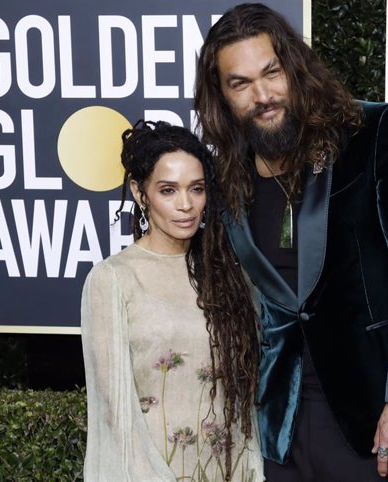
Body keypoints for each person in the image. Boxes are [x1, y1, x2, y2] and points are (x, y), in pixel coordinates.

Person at [194, 3, 388, 481]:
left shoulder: (374, 133)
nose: (262, 94)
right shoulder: (225, 180)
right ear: (223, 96)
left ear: (293, 67)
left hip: (374, 422)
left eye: (271, 72)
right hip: (276, 428)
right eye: (241, 84)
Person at [81, 120, 264, 481]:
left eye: (196, 189)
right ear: (139, 193)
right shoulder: (113, 279)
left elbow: (246, 397)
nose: (186, 205)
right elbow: (117, 413)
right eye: (168, 190)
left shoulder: (229, 274)